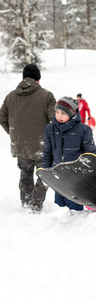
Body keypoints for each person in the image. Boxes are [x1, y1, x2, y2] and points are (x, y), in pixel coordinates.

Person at [0, 64, 56, 211]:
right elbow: (54, 120)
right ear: (38, 79)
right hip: (41, 145)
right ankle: (36, 204)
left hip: (21, 145)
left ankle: (26, 203)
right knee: (45, 174)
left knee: (25, 173)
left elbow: (2, 118)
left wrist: (14, 134)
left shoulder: (11, 96)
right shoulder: (46, 96)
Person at [42, 96, 96, 211]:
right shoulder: (50, 129)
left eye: (63, 113)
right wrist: (46, 172)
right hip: (58, 175)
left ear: (72, 113)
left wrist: (87, 174)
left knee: (74, 208)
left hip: (76, 178)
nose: (59, 116)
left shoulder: (84, 130)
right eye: (57, 112)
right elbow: (47, 152)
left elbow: (90, 154)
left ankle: (76, 227)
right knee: (59, 206)